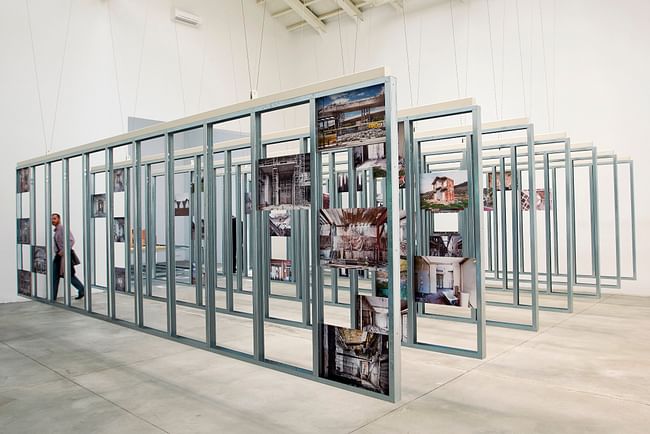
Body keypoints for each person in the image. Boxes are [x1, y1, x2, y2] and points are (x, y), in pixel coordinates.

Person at [51, 213, 85, 300]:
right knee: (55, 275)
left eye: (54, 218)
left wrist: (62, 252)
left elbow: (71, 240)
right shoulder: (57, 230)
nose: (52, 220)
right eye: (51, 219)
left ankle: (82, 289)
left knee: (68, 275)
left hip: (63, 256)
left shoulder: (62, 228)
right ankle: (53, 297)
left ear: (59, 219)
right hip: (59, 256)